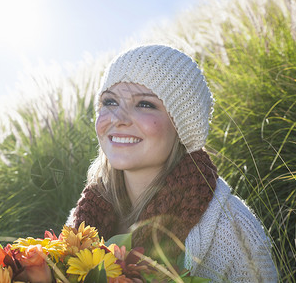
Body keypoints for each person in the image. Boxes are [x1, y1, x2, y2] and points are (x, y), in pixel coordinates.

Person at [66, 45, 278, 282]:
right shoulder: (85, 215)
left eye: (145, 104)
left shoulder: (233, 231)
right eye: (110, 102)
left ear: (182, 126)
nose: (118, 118)